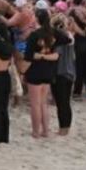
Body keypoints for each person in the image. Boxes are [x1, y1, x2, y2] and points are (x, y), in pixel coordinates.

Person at [23, 8, 68, 138]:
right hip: (49, 69)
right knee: (43, 103)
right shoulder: (53, 33)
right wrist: (51, 52)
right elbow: (67, 39)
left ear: (37, 19)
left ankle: (36, 131)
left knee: (35, 104)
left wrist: (40, 54)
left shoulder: (34, 35)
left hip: (36, 70)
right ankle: (46, 131)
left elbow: (28, 56)